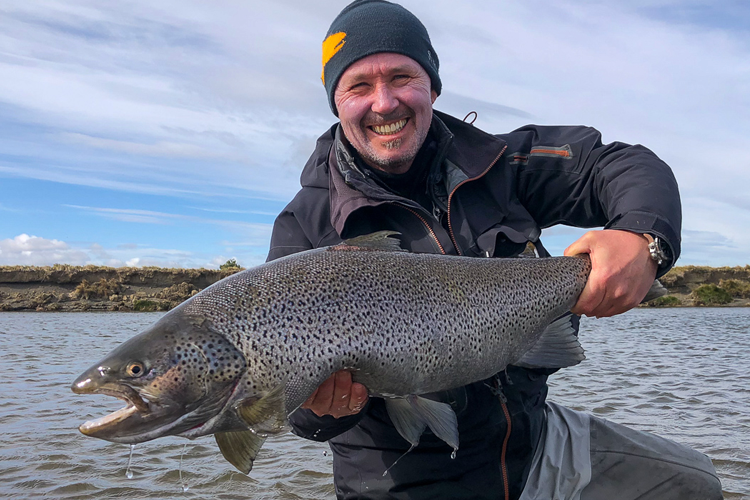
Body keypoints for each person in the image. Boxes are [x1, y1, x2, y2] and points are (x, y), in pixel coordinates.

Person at [266, 1, 724, 498]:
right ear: (337, 102)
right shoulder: (302, 226)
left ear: (432, 87)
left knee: (692, 481)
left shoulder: (500, 162)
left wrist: (642, 237)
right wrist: (320, 410)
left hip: (537, 442)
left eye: (402, 77)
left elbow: (620, 165)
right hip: (406, 482)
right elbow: (297, 419)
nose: (384, 103)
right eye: (358, 86)